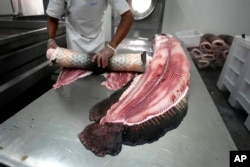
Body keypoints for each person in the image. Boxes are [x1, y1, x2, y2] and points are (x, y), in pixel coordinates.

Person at [46, 0, 133, 68]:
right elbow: (53, 16)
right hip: (74, 40)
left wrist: (111, 46)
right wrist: (51, 39)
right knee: (75, 79)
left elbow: (127, 16)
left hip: (97, 41)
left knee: (98, 72)